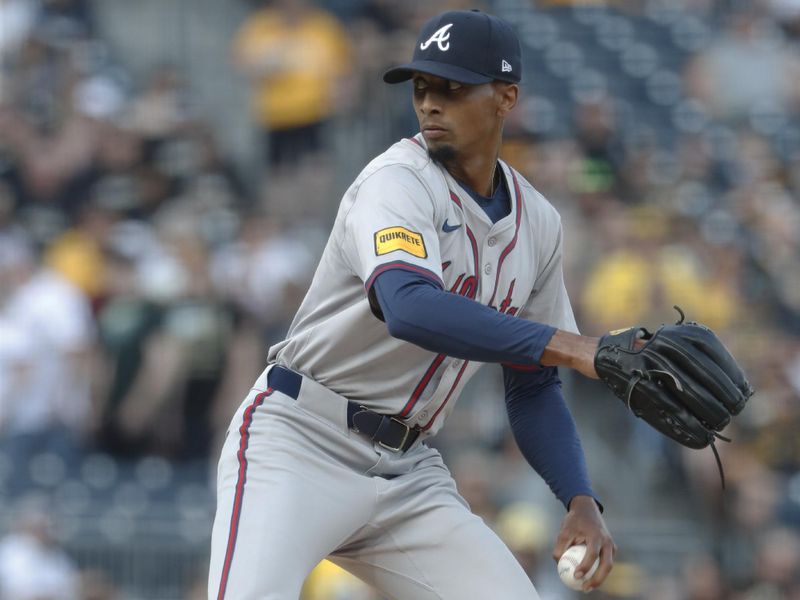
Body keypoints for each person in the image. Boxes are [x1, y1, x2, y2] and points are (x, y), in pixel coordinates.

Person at [209, 10, 615, 599]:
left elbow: (533, 386)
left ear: (506, 98)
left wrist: (580, 497)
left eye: (453, 89)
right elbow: (409, 307)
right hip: (301, 440)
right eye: (422, 87)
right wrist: (576, 347)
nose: (429, 103)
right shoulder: (396, 181)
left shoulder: (540, 225)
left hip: (408, 470)